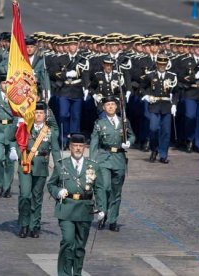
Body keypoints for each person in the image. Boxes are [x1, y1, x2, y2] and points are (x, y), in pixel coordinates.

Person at [47, 133, 106, 276]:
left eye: (81, 146)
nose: (78, 149)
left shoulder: (93, 166)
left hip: (85, 209)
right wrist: (58, 191)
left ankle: (77, 273)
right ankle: (64, 273)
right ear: (70, 147)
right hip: (66, 208)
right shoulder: (62, 165)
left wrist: (102, 209)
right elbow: (51, 184)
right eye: (75, 146)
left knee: (79, 246)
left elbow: (99, 188)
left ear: (85, 147)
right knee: (67, 241)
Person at [15, 102, 61, 238]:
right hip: (25, 165)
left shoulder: (49, 131)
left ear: (45, 116)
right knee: (24, 195)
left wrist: (60, 168)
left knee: (37, 197)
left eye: (41, 113)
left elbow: (56, 150)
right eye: (36, 113)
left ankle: (34, 225)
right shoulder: (25, 128)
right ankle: (24, 224)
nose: (38, 115)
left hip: (41, 166)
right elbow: (12, 137)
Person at [89, 95, 135, 231]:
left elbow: (132, 135)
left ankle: (113, 220)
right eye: (107, 105)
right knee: (105, 187)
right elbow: (94, 142)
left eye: (112, 104)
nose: (110, 107)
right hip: (104, 158)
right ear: (103, 108)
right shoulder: (99, 123)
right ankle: (103, 214)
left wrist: (129, 142)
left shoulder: (124, 121)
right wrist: (92, 161)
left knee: (116, 191)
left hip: (119, 158)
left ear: (117, 107)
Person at [140, 55, 178, 164]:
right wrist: (146, 96)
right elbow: (142, 87)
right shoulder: (150, 75)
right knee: (153, 129)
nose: (162, 66)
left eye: (164, 64)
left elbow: (176, 92)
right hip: (154, 105)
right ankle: (154, 150)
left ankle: (163, 154)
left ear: (166, 65)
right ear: (156, 64)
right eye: (160, 64)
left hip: (166, 105)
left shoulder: (171, 76)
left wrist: (174, 104)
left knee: (165, 131)